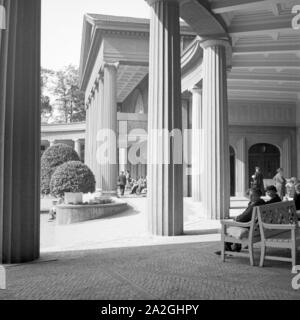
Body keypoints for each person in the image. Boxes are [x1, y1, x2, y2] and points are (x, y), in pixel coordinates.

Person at [216, 188, 265, 255]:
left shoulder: (254, 205)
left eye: (252, 195)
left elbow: (245, 216)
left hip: (251, 228)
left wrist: (236, 219)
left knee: (227, 226)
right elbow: (246, 215)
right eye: (249, 195)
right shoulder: (261, 202)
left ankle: (227, 248)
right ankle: (236, 247)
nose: (250, 197)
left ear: (258, 196)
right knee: (234, 225)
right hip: (258, 228)